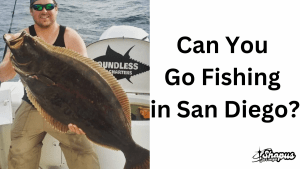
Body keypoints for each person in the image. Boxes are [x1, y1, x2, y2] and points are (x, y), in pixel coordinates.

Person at [0, 0, 101, 168]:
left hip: (67, 108)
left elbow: (87, 80)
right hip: (32, 103)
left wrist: (82, 114)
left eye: (49, 6)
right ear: (31, 11)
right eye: (38, 7)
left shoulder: (70, 37)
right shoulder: (21, 38)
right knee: (19, 151)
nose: (44, 11)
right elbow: (5, 75)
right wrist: (16, 54)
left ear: (57, 9)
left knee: (84, 151)